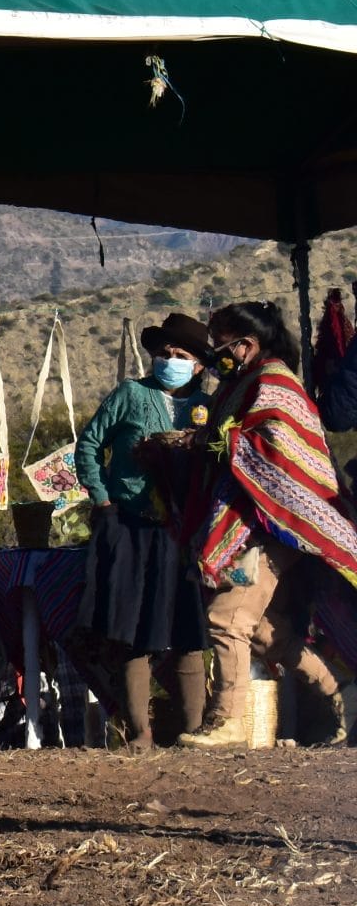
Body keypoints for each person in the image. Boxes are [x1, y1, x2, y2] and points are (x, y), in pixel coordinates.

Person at [169, 301, 351, 747]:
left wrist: (214, 440)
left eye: (221, 345)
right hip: (246, 522)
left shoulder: (274, 381)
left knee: (228, 617)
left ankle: (228, 721)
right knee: (267, 632)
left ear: (246, 344)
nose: (216, 354)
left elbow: (280, 445)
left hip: (277, 524)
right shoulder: (238, 384)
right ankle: (342, 691)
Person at [70, 311, 211, 748]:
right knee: (132, 630)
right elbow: (90, 443)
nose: (170, 359)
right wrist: (103, 499)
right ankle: (139, 734)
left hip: (184, 531)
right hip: (130, 525)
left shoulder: (208, 406)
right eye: (164, 353)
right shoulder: (130, 394)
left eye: (181, 354)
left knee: (189, 630)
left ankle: (194, 733)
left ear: (199, 364)